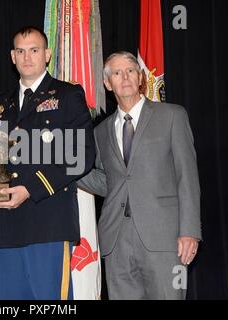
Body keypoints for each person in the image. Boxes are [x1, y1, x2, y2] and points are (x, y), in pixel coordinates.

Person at [0, 26, 95, 300]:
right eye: (20, 51)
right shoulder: (0, 105)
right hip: (8, 228)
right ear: (12, 56)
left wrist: (30, 189)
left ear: (47, 54)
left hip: (49, 225)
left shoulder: (68, 95)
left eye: (34, 50)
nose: (27, 57)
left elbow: (82, 155)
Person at [78, 51, 202, 299]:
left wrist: (190, 230)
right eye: (116, 72)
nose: (124, 77)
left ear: (140, 77)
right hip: (116, 242)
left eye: (130, 71)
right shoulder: (100, 131)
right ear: (107, 83)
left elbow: (187, 176)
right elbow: (109, 182)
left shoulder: (172, 116)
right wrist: (64, 170)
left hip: (164, 239)